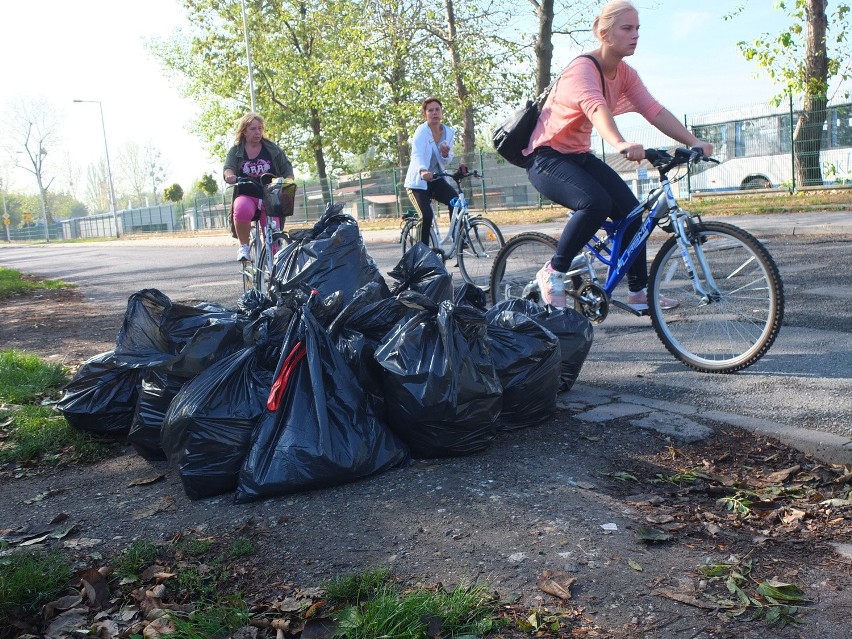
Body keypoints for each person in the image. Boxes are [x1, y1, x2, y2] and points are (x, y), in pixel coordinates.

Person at [523, 0, 713, 310]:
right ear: (604, 33)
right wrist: (620, 143)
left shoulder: (625, 73)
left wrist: (693, 141)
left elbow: (654, 110)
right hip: (546, 157)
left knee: (633, 214)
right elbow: (595, 107)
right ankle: (553, 270)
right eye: (627, 28)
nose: (635, 34)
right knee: (595, 202)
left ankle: (638, 291)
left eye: (637, 28)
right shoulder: (582, 69)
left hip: (578, 156)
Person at [223, 113, 295, 261]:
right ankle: (244, 247)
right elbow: (228, 168)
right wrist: (230, 176)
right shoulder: (235, 151)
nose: (258, 132)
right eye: (253, 129)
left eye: (260, 128)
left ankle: (274, 262)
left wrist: (288, 181)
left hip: (270, 196)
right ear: (244, 131)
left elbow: (287, 169)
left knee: (272, 233)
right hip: (247, 194)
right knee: (241, 208)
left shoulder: (272, 149)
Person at [404, 97, 457, 246]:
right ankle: (422, 254)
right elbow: (417, 155)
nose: (434, 113)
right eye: (430, 110)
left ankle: (456, 239)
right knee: (426, 216)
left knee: (455, 201)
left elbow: (446, 160)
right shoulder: (421, 132)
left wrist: (446, 154)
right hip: (418, 182)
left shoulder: (448, 133)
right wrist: (422, 171)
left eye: (437, 110)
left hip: (436, 179)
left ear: (442, 113)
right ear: (425, 114)